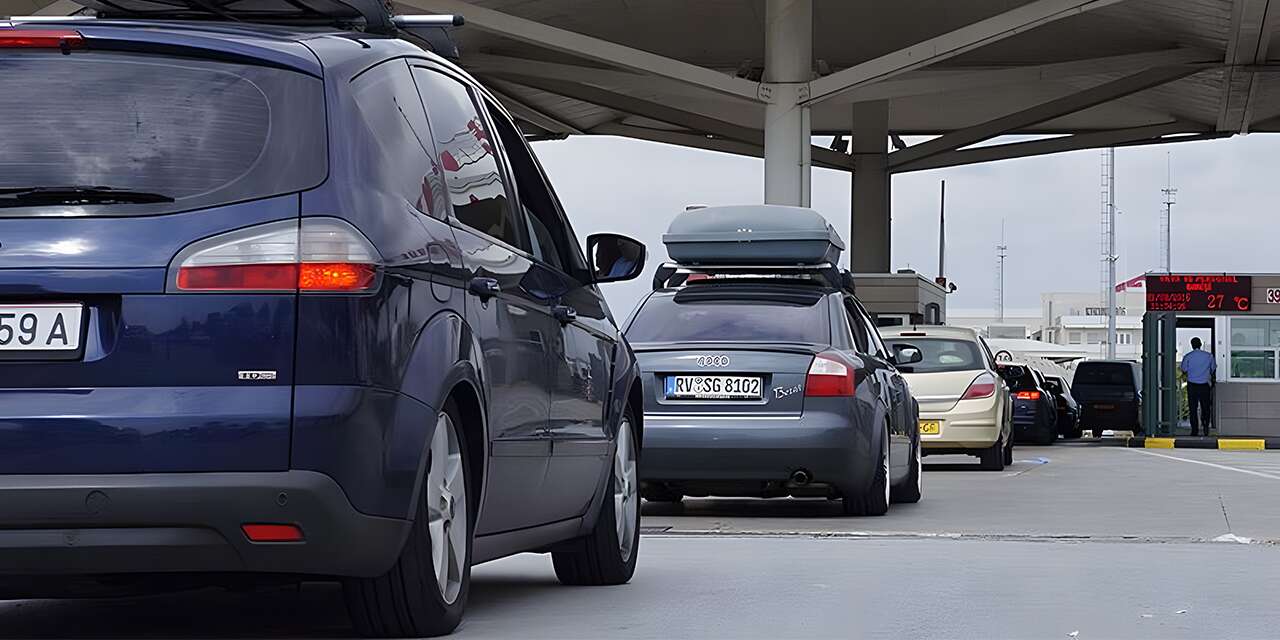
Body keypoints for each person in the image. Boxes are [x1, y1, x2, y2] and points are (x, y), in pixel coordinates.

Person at [1180, 337, 1217, 437]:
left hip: (1192, 386)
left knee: (1193, 409)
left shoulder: (1188, 356)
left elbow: (1183, 369)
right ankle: (1205, 427)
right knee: (1205, 408)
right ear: (1200, 344)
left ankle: (1194, 430)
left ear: (1192, 345)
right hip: (1205, 385)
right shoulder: (1209, 356)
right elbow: (1213, 369)